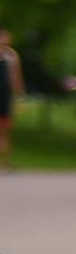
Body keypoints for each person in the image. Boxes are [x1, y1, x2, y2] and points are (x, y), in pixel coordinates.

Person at [0, 27, 21, 172]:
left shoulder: (11, 56)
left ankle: (5, 162)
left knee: (5, 130)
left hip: (5, 96)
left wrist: (19, 94)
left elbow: (16, 76)